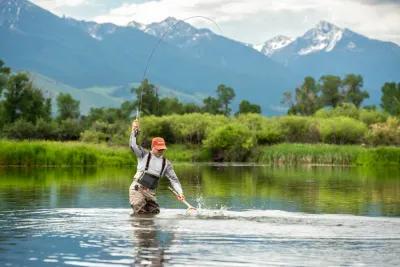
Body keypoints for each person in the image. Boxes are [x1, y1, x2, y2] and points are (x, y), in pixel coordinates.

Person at [129, 119, 185, 215]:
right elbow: (133, 145)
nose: (160, 151)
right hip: (137, 189)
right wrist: (134, 131)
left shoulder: (166, 164)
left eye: (162, 149)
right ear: (153, 147)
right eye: (158, 149)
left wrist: (180, 193)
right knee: (140, 214)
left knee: (154, 213)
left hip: (150, 192)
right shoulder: (143, 154)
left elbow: (174, 180)